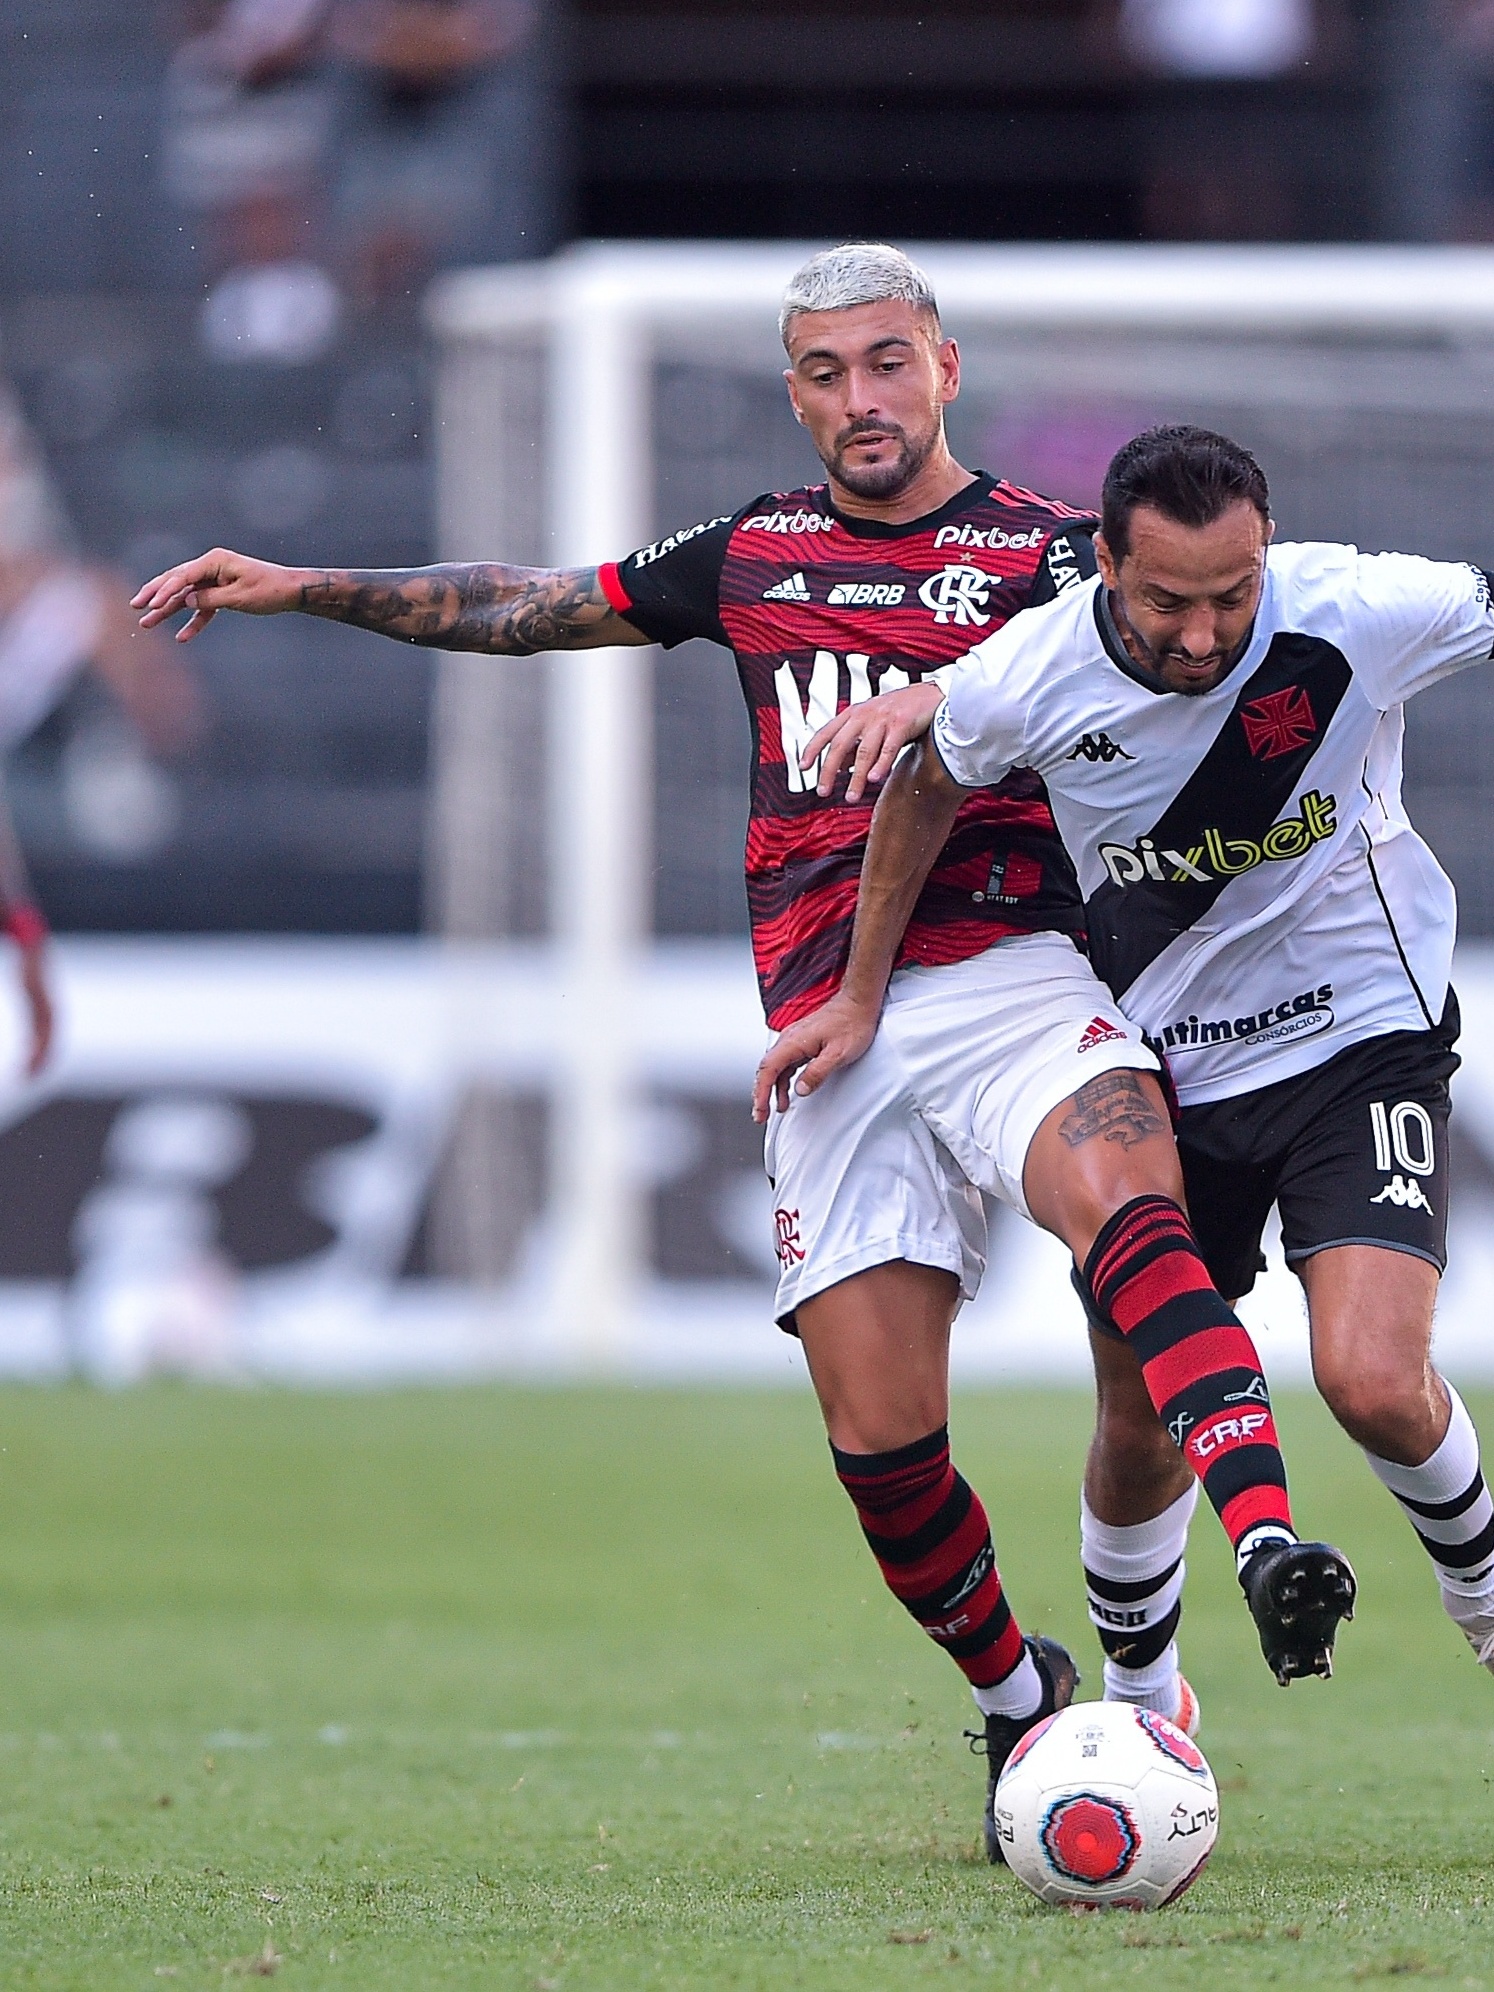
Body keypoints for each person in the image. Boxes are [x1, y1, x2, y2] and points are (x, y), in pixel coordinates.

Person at [132, 250, 1346, 1859]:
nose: (864, 397)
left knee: (1135, 1221)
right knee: (880, 1445)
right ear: (795, 389)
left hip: (1008, 972)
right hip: (822, 1033)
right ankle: (1017, 1699)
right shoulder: (753, 553)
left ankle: (1265, 1546)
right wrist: (306, 586)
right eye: (829, 371)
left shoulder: (1063, 563)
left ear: (944, 370)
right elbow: (525, 606)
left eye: (889, 364)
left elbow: (1221, 659)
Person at [779, 421, 1494, 1713]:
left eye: (1233, 596)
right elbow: (923, 791)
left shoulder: (1358, 610)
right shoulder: (1029, 671)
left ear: (1265, 552)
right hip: (1170, 1074)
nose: (1206, 636)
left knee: (1370, 1377)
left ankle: (1486, 1606)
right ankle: (1141, 1700)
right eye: (1169, 602)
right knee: (1138, 1427)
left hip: (1359, 1042)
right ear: (1102, 561)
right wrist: (858, 995)